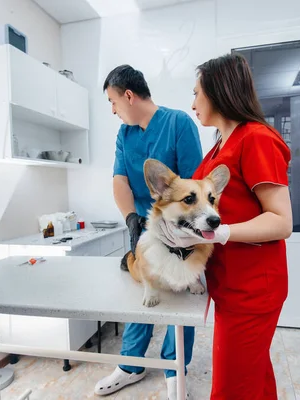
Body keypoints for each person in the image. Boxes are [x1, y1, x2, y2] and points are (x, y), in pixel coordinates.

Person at [157, 54, 293, 399]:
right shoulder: (220, 145)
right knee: (255, 378)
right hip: (231, 283)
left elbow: (281, 221)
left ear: (217, 92)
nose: (192, 103)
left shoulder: (255, 139)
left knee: (231, 388)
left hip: (252, 289)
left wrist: (223, 232)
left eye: (196, 93)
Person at [94, 65, 203, 398]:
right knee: (143, 296)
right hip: (145, 232)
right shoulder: (125, 135)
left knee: (178, 301)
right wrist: (130, 218)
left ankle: (174, 369)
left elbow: (193, 189)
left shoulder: (178, 124)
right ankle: (131, 364)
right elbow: (120, 181)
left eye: (113, 102)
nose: (112, 110)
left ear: (128, 95)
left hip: (181, 234)